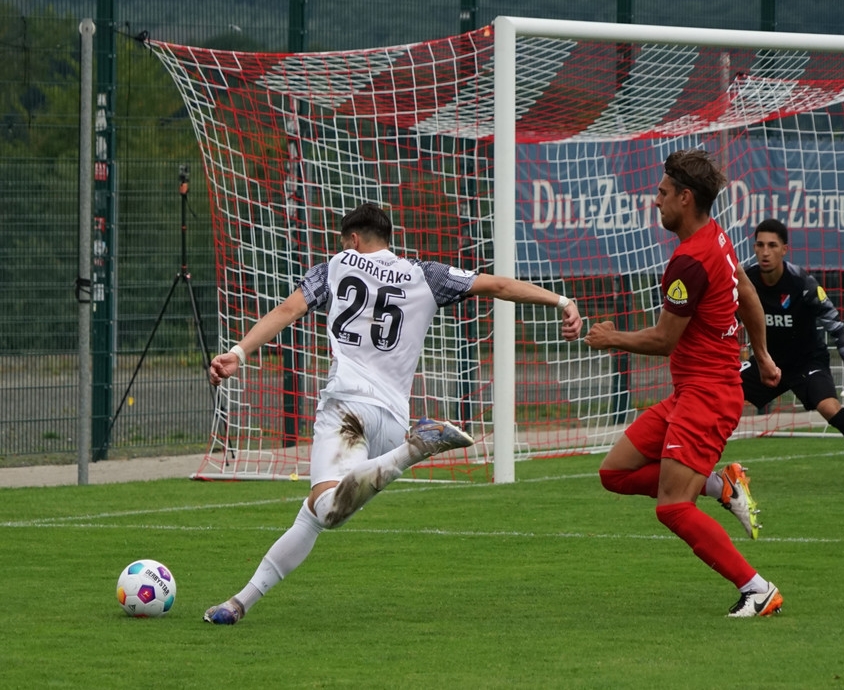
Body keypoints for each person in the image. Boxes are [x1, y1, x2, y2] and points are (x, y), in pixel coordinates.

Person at [203, 202, 583, 625]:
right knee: (312, 516)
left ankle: (416, 448)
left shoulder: (336, 264)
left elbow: (288, 310)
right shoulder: (425, 274)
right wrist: (561, 299)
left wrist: (239, 352)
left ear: (353, 240)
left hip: (347, 408)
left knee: (328, 510)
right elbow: (495, 285)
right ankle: (239, 603)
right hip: (390, 421)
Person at [584, 149, 785, 618]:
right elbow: (748, 294)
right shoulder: (716, 238)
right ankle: (721, 487)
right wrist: (762, 355)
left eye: (662, 192)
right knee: (613, 473)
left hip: (708, 397)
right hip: (692, 393)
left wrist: (612, 336)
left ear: (685, 197)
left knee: (673, 507)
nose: (656, 201)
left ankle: (758, 589)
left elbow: (664, 339)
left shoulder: (689, 262)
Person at [725, 218, 844, 489]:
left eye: (772, 245)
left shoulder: (802, 283)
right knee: (719, 393)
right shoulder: (745, 282)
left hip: (807, 362)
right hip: (768, 363)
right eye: (760, 245)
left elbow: (836, 326)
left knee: (829, 408)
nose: (765, 251)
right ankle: (693, 465)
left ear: (784, 249)